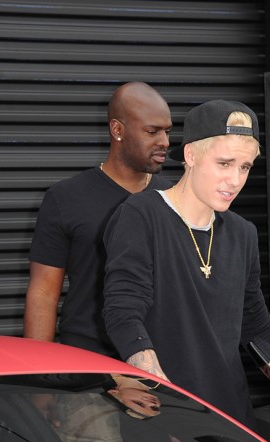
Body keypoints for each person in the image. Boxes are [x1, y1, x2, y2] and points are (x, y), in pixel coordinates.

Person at [103, 99, 270, 442]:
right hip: (164, 427)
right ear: (191, 155)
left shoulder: (241, 233)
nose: (235, 180)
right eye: (224, 164)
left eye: (244, 167)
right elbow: (123, 316)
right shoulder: (142, 215)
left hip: (232, 422)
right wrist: (174, 417)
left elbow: (258, 331)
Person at [24, 82, 173, 357]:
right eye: (152, 131)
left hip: (162, 365)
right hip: (89, 366)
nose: (164, 141)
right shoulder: (66, 198)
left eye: (167, 131)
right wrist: (38, 376)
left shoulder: (176, 197)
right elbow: (43, 294)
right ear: (117, 130)